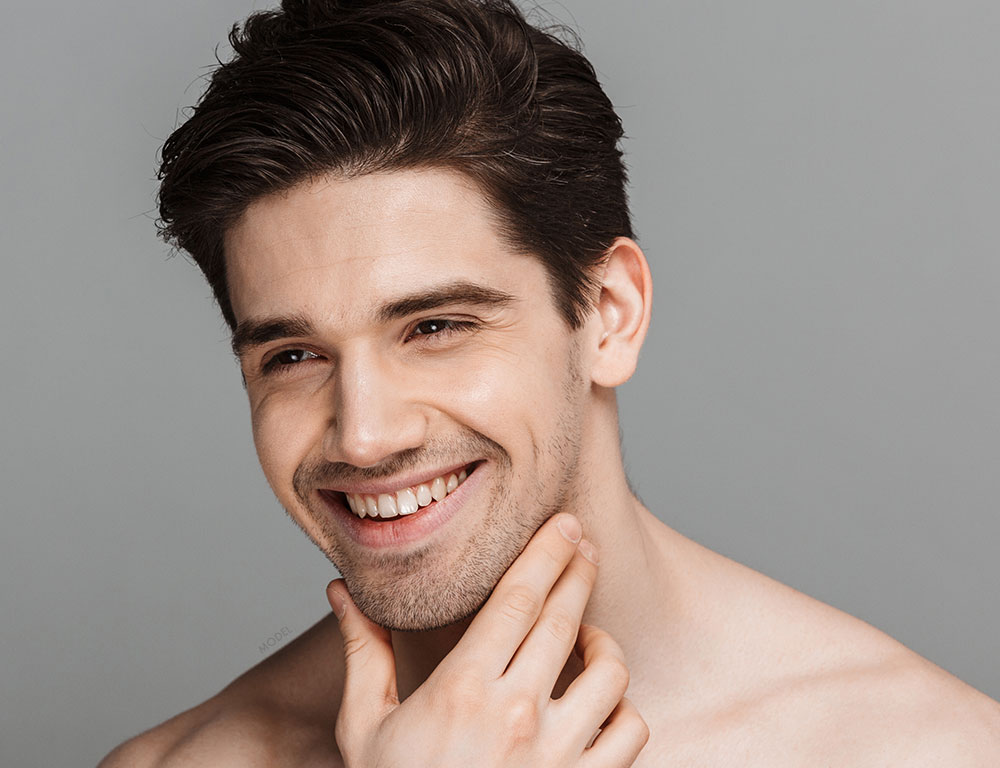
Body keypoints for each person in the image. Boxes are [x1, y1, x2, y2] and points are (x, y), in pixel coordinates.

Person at [100, 0, 1000, 765]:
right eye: (293, 356)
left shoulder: (923, 748)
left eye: (437, 327)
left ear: (608, 313)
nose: (364, 435)